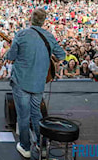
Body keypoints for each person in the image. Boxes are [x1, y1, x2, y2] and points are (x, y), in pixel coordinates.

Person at [5, 8, 66, 159]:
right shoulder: (49, 36)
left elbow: (11, 56)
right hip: (39, 82)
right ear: (44, 21)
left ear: (30, 18)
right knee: (36, 113)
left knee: (23, 116)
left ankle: (25, 147)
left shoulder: (22, 34)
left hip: (21, 81)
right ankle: (40, 143)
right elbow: (61, 55)